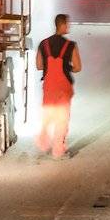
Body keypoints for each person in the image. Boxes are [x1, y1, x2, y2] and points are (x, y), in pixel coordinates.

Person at [35, 13, 82, 158]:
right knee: (62, 118)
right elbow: (78, 67)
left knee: (48, 115)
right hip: (64, 87)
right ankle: (58, 150)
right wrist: (67, 68)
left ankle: (42, 141)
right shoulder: (71, 46)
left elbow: (38, 65)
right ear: (61, 24)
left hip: (49, 87)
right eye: (67, 23)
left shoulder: (43, 44)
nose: (69, 26)